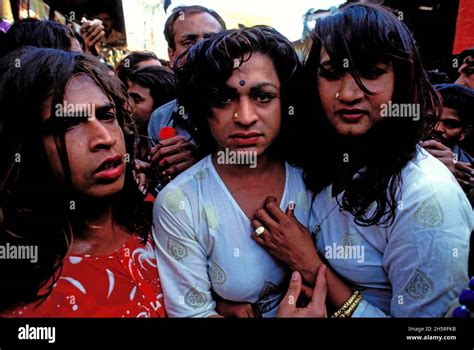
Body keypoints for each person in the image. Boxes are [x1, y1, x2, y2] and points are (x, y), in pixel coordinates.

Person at [250, 4, 473, 317]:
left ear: (402, 80)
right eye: (331, 74)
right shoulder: (321, 159)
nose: (348, 93)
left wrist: (311, 266)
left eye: (370, 72)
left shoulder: (426, 196)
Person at [152, 26, 313, 317]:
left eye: (262, 96)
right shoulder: (180, 203)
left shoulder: (316, 175)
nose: (245, 117)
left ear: (285, 101)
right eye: (223, 99)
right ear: (202, 107)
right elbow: (193, 313)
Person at [0, 47, 165, 317]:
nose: (105, 138)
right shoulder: (24, 295)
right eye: (68, 124)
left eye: (106, 115)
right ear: (26, 146)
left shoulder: (165, 221)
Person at [147, 5, 226, 191]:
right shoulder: (160, 118)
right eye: (189, 41)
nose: (201, 48)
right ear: (171, 55)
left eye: (211, 39)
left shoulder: (247, 109)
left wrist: (202, 162)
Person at [421, 83, 473, 205]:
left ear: (464, 132)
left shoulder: (469, 172)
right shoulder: (394, 157)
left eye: (450, 124)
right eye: (430, 119)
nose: (437, 128)